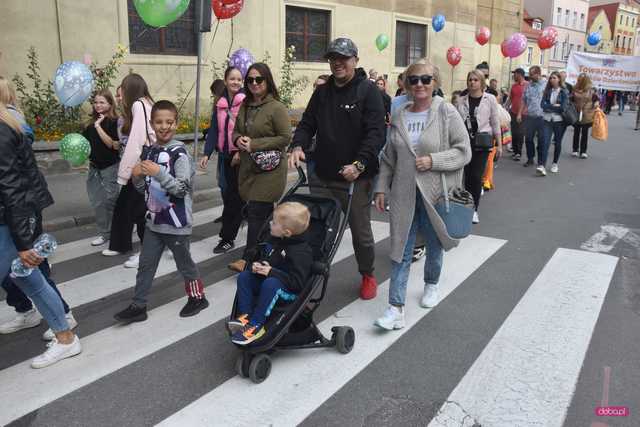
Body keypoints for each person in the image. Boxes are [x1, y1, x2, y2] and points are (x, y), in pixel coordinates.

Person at [373, 60, 471, 329]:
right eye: (413, 79)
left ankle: (431, 283)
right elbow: (388, 157)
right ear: (405, 83)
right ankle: (395, 308)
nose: (419, 84)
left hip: (435, 194)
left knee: (434, 242)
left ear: (435, 84)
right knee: (401, 249)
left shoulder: (446, 112)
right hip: (404, 193)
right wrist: (381, 187)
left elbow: (464, 151)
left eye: (425, 79)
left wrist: (434, 160)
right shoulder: (399, 114)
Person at [288, 37, 386, 300]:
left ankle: (367, 274)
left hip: (355, 178)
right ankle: (309, 273)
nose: (337, 63)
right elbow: (308, 123)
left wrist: (359, 164)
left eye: (343, 58)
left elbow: (376, 134)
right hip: (322, 174)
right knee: (316, 228)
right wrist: (298, 144)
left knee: (361, 232)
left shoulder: (368, 91)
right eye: (333, 58)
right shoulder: (322, 91)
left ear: (355, 60)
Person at [0, 103, 82, 368]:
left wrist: (24, 243)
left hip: (10, 218)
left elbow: (10, 186)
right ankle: (61, 330)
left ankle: (65, 336)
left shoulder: (3, 126)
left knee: (28, 277)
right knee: (24, 278)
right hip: (13, 216)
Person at [114, 101, 209, 322]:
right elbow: (143, 189)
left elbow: (181, 189)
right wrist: (137, 176)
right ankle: (139, 306)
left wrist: (159, 173)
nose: (164, 126)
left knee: (185, 264)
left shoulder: (180, 154)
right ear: (151, 124)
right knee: (146, 266)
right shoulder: (150, 151)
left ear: (176, 124)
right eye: (159, 122)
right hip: (154, 221)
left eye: (169, 122)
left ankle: (198, 298)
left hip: (176, 223)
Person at [228, 63, 292, 273]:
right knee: (261, 215)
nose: (254, 83)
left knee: (257, 211)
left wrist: (255, 144)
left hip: (270, 170)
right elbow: (235, 132)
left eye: (259, 79)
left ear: (267, 81)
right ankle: (270, 255)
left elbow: (285, 138)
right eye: (250, 80)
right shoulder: (245, 105)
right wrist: (238, 141)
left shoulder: (277, 108)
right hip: (249, 167)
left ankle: (248, 259)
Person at [229, 202, 312, 345]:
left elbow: (297, 283)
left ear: (286, 232)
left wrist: (272, 272)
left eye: (274, 223)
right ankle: (246, 316)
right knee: (245, 276)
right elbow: (269, 258)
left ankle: (256, 325)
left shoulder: (300, 252)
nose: (270, 224)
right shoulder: (275, 240)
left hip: (289, 291)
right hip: (271, 281)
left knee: (271, 283)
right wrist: (260, 265)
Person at [103, 74, 155, 269]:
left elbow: (136, 142)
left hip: (140, 167)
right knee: (130, 208)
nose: (120, 96)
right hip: (144, 165)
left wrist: (124, 174)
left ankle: (147, 253)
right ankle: (122, 244)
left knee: (140, 211)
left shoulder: (138, 106)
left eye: (122, 91)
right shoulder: (146, 103)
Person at [200, 67, 246, 254]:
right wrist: (206, 153)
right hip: (225, 156)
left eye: (239, 79)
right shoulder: (220, 103)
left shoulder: (245, 102)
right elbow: (214, 130)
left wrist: (241, 152)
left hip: (241, 157)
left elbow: (249, 128)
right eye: (232, 79)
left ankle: (228, 237)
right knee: (230, 195)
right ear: (225, 81)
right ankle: (232, 231)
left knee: (236, 197)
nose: (236, 82)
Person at [457, 70, 501, 224]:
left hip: (482, 144)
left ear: (482, 82)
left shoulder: (490, 99)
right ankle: (466, 206)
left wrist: (499, 145)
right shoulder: (461, 100)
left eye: (476, 80)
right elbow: (456, 124)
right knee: (466, 177)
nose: (472, 82)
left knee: (476, 177)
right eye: (470, 79)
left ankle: (474, 209)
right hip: (464, 143)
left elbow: (495, 122)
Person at [83, 89, 121, 247]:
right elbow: (84, 144)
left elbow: (113, 145)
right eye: (96, 102)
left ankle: (117, 231)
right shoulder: (89, 123)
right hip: (94, 168)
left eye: (102, 102)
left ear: (110, 104)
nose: (98, 105)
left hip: (110, 167)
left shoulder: (114, 121)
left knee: (111, 201)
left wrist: (99, 127)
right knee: (97, 202)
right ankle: (104, 233)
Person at [540, 71, 569, 175]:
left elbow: (563, 108)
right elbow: (542, 105)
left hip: (559, 121)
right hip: (547, 119)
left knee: (557, 142)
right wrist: (554, 106)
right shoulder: (547, 91)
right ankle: (542, 165)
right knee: (545, 142)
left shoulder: (564, 91)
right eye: (551, 78)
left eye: (554, 78)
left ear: (559, 79)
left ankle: (555, 163)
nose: (552, 80)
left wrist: (550, 106)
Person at [519, 65, 545, 167]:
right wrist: (520, 113)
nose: (529, 76)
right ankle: (530, 158)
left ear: (538, 74)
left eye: (531, 74)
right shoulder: (528, 86)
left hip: (542, 117)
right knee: (529, 139)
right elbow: (523, 100)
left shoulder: (546, 85)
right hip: (530, 116)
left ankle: (541, 161)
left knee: (541, 140)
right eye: (529, 74)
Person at [570, 73, 599, 159]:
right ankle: (575, 150)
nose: (579, 81)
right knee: (576, 132)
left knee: (584, 133)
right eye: (579, 80)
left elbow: (596, 99)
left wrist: (596, 104)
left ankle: (583, 151)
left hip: (587, 113)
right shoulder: (575, 89)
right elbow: (571, 99)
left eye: (581, 80)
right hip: (576, 112)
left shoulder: (590, 90)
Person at [509, 68, 528, 161]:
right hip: (513, 112)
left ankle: (519, 152)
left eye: (515, 74)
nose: (514, 76)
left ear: (520, 74)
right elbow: (510, 98)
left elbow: (529, 100)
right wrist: (504, 107)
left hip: (524, 113)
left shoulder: (528, 85)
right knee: (514, 132)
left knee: (520, 133)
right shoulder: (514, 86)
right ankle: (515, 150)